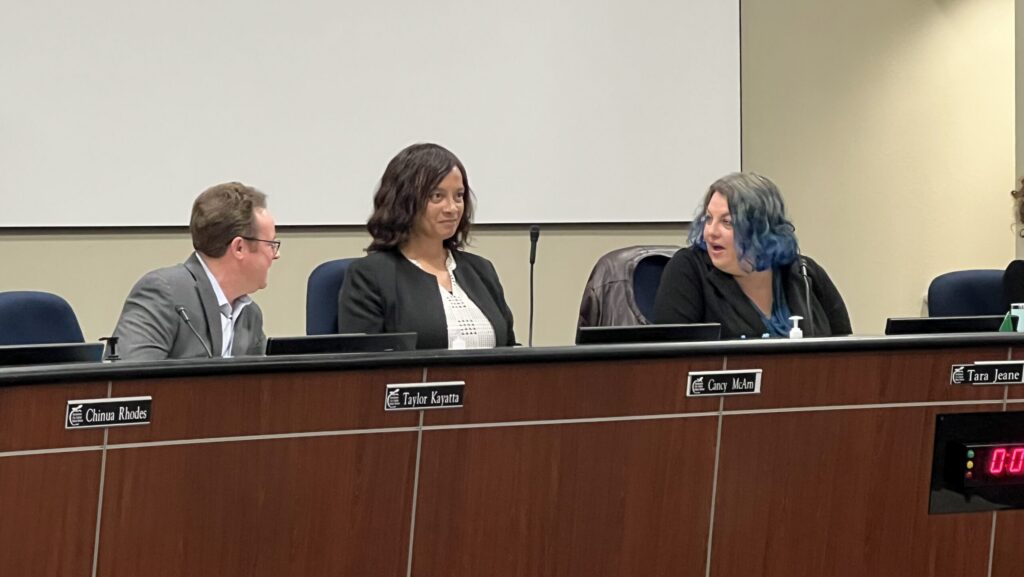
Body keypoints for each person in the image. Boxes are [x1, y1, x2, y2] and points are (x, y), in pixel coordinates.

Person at [338, 143, 515, 349]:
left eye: (458, 196)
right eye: (437, 196)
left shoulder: (481, 270)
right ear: (404, 201)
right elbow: (364, 365)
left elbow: (509, 350)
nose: (452, 208)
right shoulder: (371, 276)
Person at [653, 172, 851, 339]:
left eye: (727, 222)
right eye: (709, 219)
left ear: (761, 229)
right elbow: (672, 365)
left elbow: (849, 355)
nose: (711, 232)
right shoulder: (688, 270)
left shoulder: (805, 274)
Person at [112, 182, 279, 360]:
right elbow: (131, 379)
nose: (276, 255)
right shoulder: (163, 294)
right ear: (239, 248)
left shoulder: (250, 315)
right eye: (271, 245)